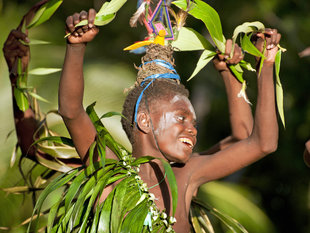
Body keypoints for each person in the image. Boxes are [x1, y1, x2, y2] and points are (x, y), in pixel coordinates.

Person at [56, 9, 280, 232]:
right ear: (144, 121)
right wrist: (76, 47)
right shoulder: (112, 173)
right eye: (181, 118)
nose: (191, 129)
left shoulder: (187, 174)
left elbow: (259, 142)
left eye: (193, 123)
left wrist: (261, 66)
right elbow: (72, 112)